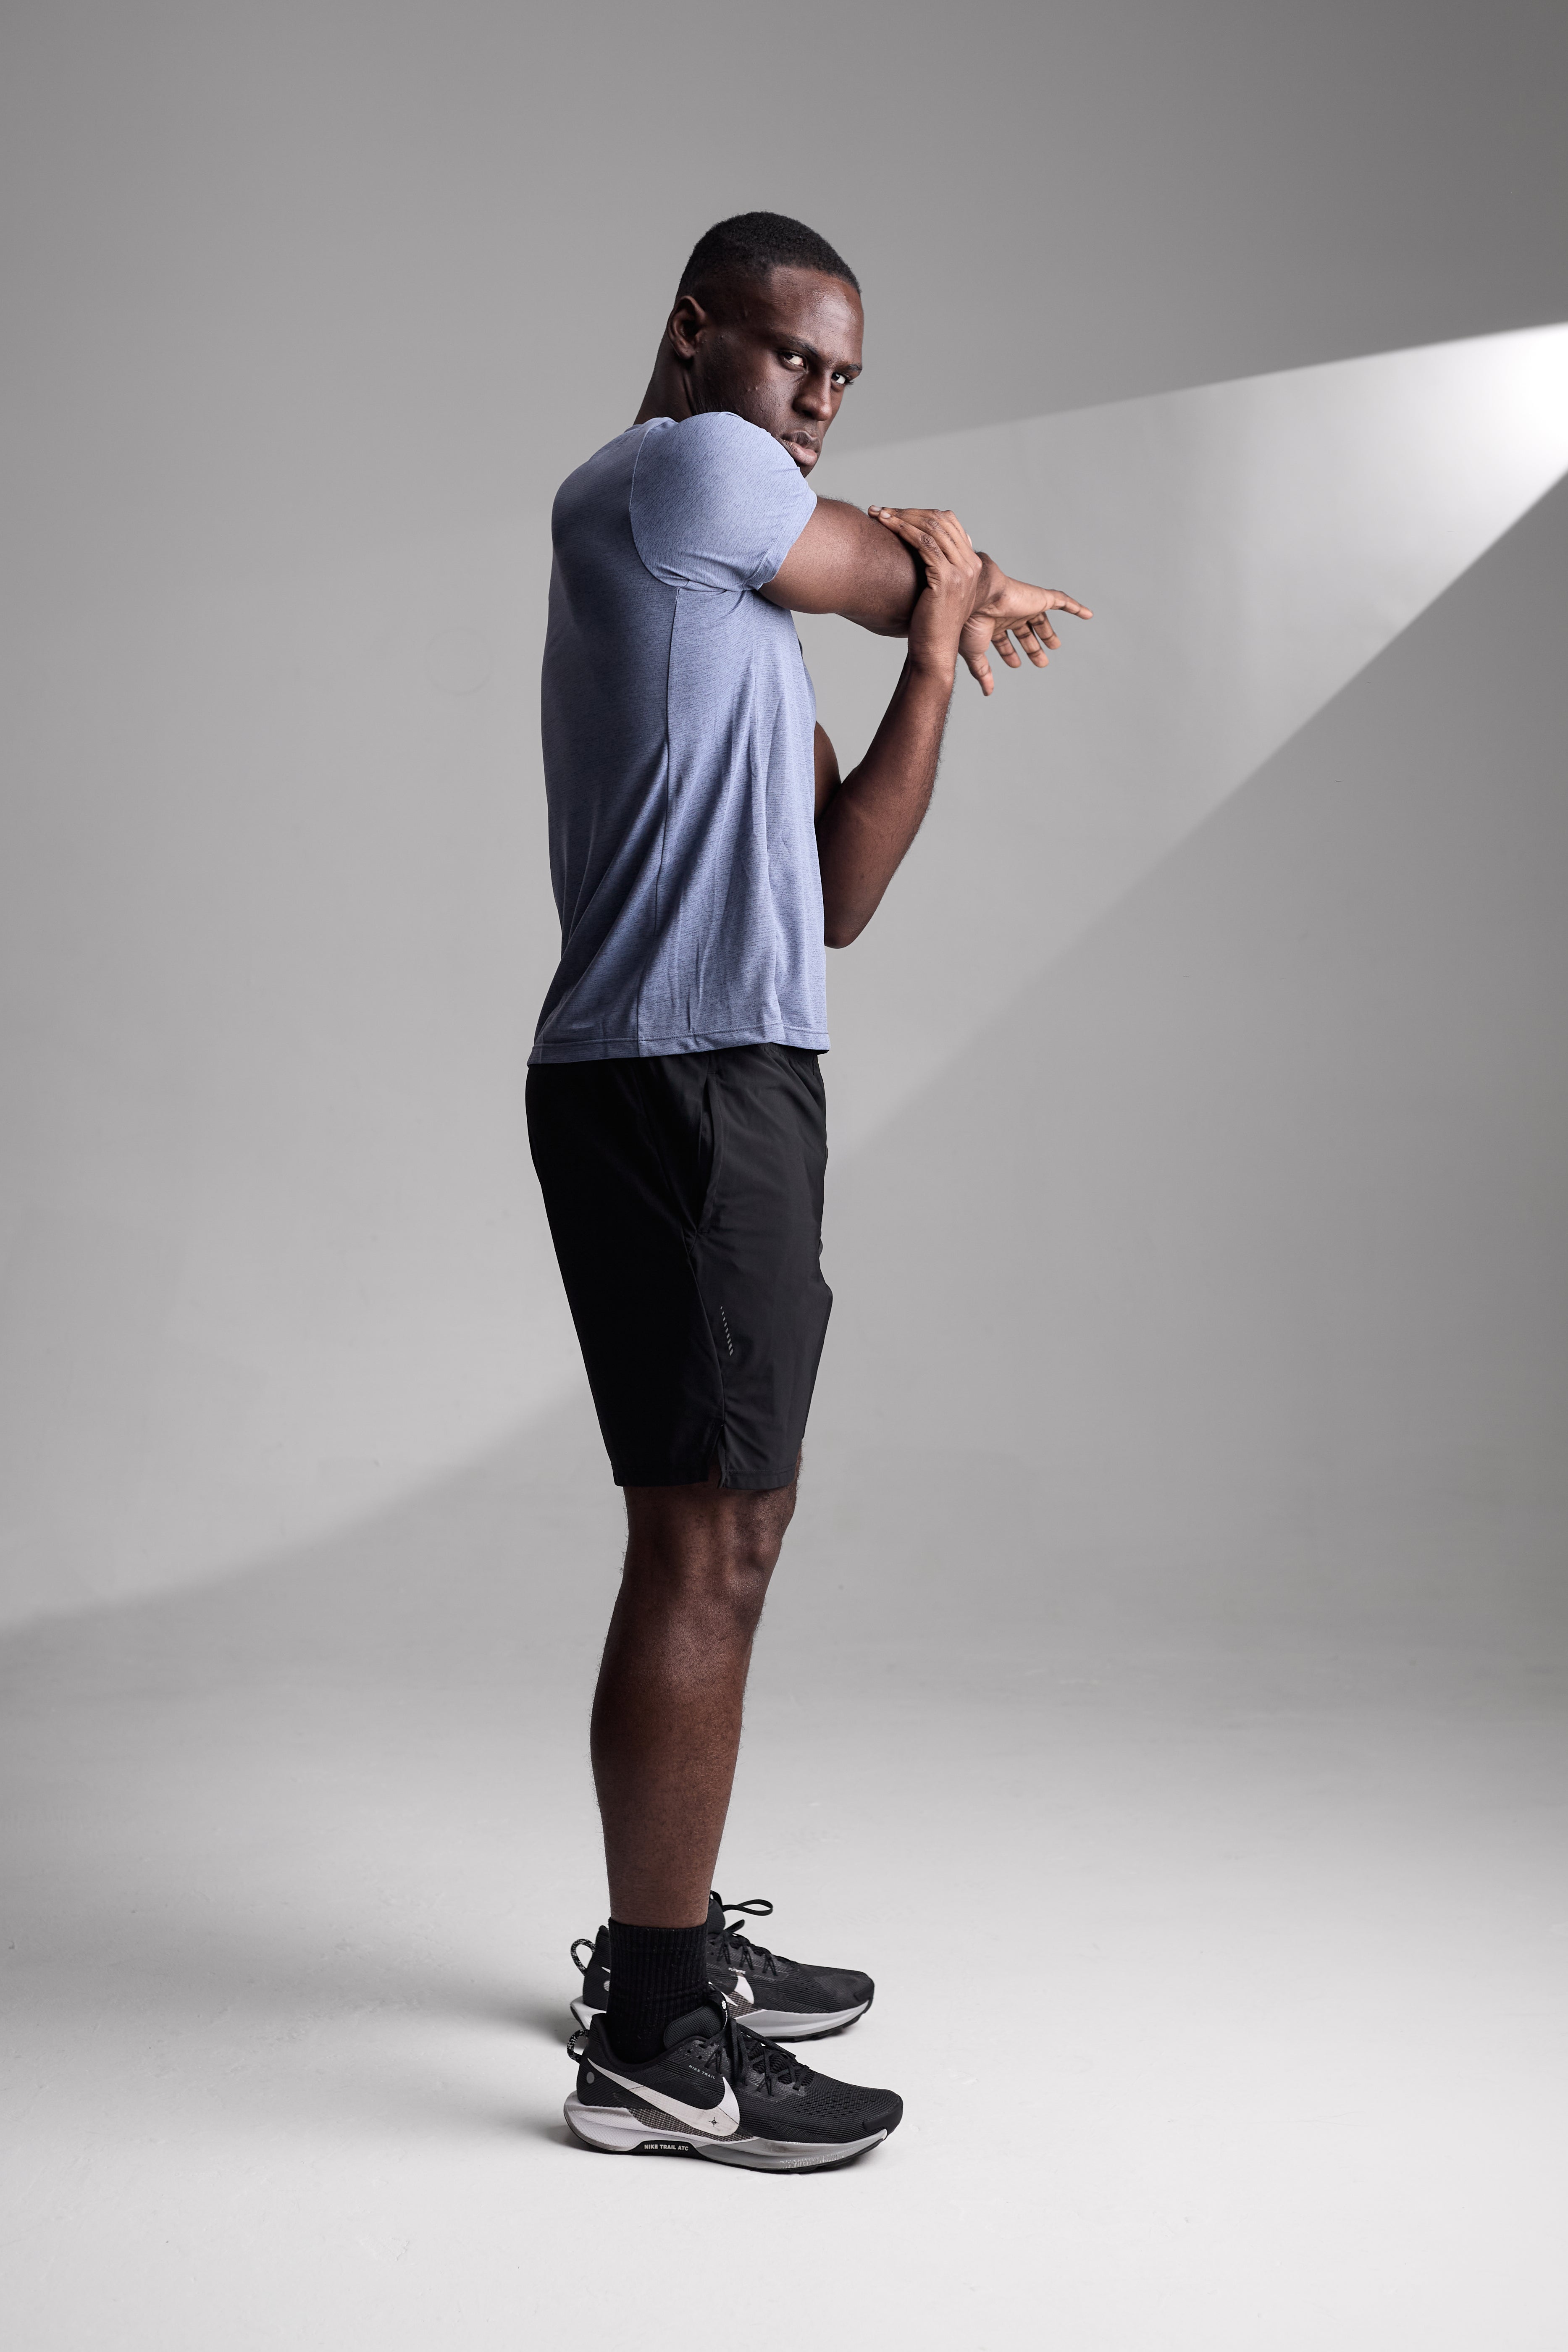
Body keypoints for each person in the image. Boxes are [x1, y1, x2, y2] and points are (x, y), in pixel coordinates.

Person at [527, 211, 1089, 2170]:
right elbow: (882, 564)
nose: (816, 405)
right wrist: (946, 568)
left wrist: (937, 651)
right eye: (792, 359)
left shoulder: (727, 608)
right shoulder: (685, 472)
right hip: (683, 1079)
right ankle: (657, 2042)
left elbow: (840, 885)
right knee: (706, 1545)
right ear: (696, 336)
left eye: (843, 381)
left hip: (730, 1071)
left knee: (732, 1528)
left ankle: (668, 1949)